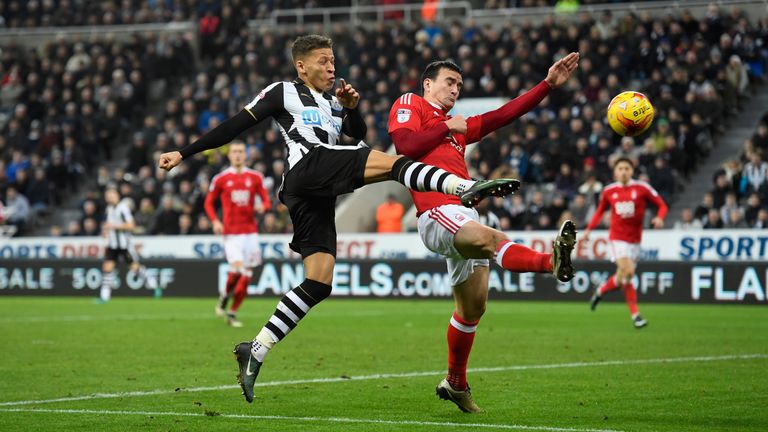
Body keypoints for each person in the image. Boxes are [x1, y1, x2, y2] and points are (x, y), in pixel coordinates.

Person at [157, 34, 520, 404]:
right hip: (308, 167)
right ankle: (462, 187)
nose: (332, 67)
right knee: (393, 163)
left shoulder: (333, 102)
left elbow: (356, 134)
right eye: (323, 61)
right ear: (302, 66)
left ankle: (257, 347)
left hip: (316, 192)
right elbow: (236, 125)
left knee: (319, 281)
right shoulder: (282, 91)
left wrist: (352, 109)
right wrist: (185, 153)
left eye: (333, 61)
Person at [387, 55, 580, 413]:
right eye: (449, 82)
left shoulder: (456, 125)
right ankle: (549, 262)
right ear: (428, 83)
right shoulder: (410, 104)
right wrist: (449, 128)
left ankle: (456, 383)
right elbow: (405, 150)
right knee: (491, 239)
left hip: (463, 211)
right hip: (436, 212)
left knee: (472, 309)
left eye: (459, 85)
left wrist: (547, 85)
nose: (455, 89)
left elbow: (502, 116)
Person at [583, 157, 668, 329]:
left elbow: (662, 205)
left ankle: (601, 291)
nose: (623, 171)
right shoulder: (608, 191)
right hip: (617, 238)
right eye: (620, 168)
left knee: (624, 277)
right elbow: (599, 212)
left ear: (632, 170)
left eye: (626, 168)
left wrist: (660, 218)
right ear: (615, 172)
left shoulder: (642, 188)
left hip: (635, 240)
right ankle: (636, 315)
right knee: (628, 271)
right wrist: (588, 230)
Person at [206, 141, 272, 327]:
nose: (237, 155)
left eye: (241, 152)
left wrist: (262, 207)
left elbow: (267, 202)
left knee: (247, 276)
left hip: (250, 233)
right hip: (231, 233)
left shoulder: (256, 177)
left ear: (246, 155)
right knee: (237, 268)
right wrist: (215, 221)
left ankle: (232, 313)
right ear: (229, 155)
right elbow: (208, 203)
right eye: (234, 152)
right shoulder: (221, 178)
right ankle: (225, 296)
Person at [97, 187, 157, 303]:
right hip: (112, 244)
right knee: (107, 267)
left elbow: (131, 225)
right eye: (107, 195)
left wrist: (113, 226)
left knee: (134, 267)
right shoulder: (109, 208)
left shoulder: (123, 208)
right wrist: (106, 231)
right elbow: (109, 225)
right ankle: (104, 296)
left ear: (117, 195)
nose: (109, 197)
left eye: (111, 195)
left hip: (124, 245)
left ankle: (151, 281)